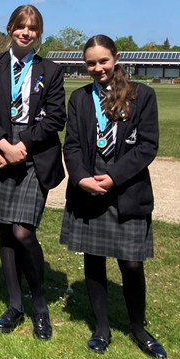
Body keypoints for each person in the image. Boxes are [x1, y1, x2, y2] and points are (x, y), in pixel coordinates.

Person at [60, 35, 167, 357]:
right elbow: (73, 145)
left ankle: (138, 329)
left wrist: (115, 176)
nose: (97, 68)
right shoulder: (79, 98)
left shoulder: (142, 95)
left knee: (132, 264)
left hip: (127, 187)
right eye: (91, 62)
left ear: (116, 58)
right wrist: (80, 178)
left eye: (103, 61)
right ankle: (102, 327)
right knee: (94, 260)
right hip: (88, 186)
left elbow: (148, 144)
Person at [0, 5, 65, 340]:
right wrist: (3, 145)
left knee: (23, 231)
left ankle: (39, 306)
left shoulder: (51, 71)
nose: (25, 32)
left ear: (39, 33)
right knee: (5, 233)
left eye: (32, 28)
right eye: (20, 26)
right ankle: (14, 305)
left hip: (34, 154)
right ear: (10, 28)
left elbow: (56, 118)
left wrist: (20, 149)